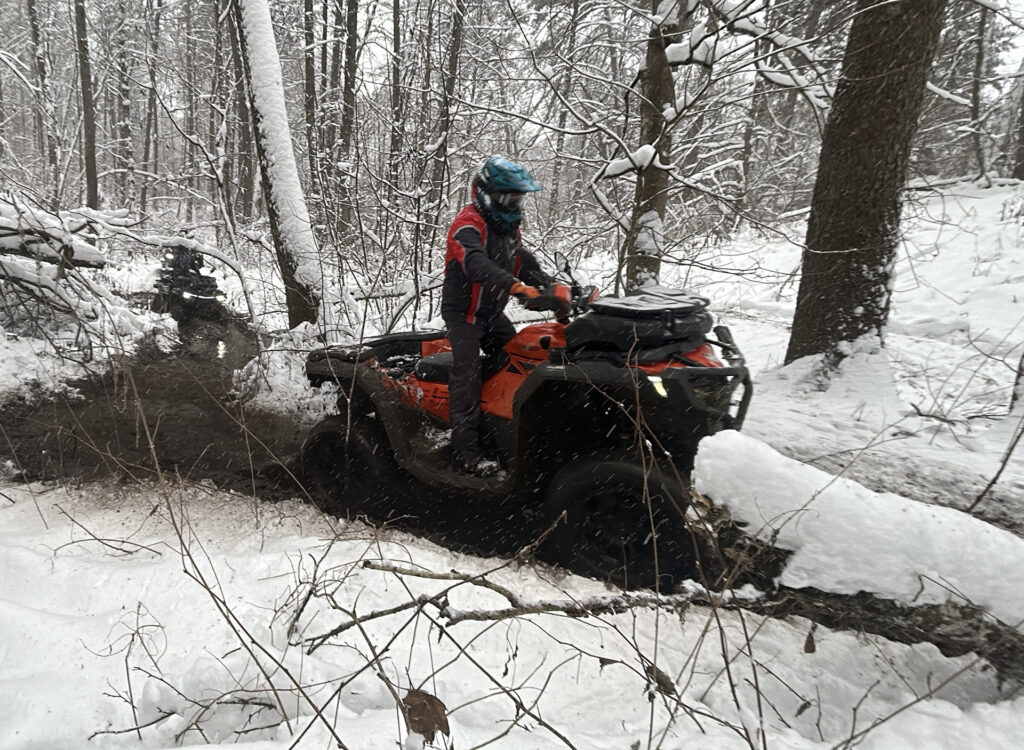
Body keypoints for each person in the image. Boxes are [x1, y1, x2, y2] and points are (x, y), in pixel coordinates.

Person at [442, 156, 552, 476]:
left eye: (517, 198)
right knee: (467, 375)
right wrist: (515, 287)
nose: (513, 204)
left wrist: (550, 286)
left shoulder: (507, 228)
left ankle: (497, 431)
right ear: (486, 193)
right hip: (464, 314)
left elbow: (520, 262)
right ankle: (466, 453)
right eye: (508, 197)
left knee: (519, 361)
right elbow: (475, 262)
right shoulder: (468, 223)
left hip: (490, 314)